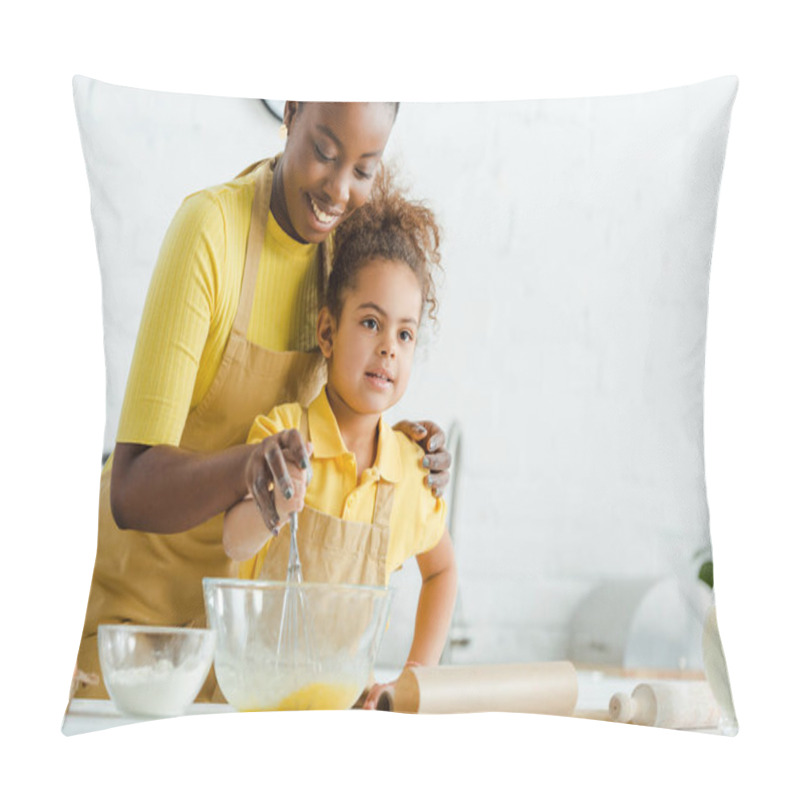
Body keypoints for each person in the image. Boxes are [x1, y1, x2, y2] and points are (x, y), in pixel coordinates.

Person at [73, 102, 451, 702]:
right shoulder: (211, 232)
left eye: (364, 169)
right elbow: (131, 489)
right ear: (293, 111)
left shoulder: (342, 254)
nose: (338, 190)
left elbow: (345, 393)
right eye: (325, 153)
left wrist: (396, 444)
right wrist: (246, 469)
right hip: (133, 628)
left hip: (234, 653)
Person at [223, 169, 457, 710]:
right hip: (256, 710)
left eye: (404, 333)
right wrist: (273, 506)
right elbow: (234, 544)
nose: (389, 349)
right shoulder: (280, 436)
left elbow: (442, 570)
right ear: (327, 331)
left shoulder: (409, 469)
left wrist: (413, 680)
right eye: (370, 324)